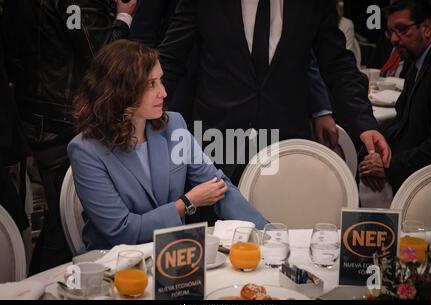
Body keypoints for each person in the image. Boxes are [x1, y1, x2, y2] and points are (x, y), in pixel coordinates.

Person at [157, 0, 391, 187]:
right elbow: (171, 59)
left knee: (283, 230)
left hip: (285, 140)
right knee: (216, 234)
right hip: (219, 139)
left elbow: (337, 64)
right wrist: (136, 110)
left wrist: (364, 123)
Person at [68, 40, 268, 250]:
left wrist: (268, 234)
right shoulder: (86, 150)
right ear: (121, 91)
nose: (163, 92)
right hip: (113, 267)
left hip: (172, 260)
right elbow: (122, 231)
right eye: (151, 84)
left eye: (161, 81)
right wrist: (186, 203)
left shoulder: (173, 125)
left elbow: (219, 187)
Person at [14, 0, 137, 274]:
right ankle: (41, 288)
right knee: (66, 221)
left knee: (60, 219)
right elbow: (105, 57)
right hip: (63, 120)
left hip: (38, 115)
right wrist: (124, 18)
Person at [359, 0, 431, 194]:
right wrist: (377, 155)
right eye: (391, 32)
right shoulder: (417, 62)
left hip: (427, 186)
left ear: (426, 27)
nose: (394, 39)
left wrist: (388, 166)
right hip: (409, 170)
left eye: (401, 30)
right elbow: (403, 123)